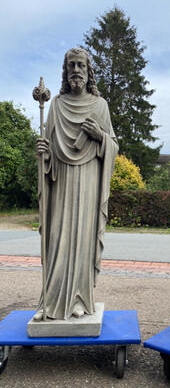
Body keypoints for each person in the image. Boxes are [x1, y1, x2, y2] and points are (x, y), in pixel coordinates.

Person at [34, 48, 118, 321]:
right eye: (71, 65)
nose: (76, 70)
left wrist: (101, 136)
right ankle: (51, 299)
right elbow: (50, 152)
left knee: (82, 238)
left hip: (89, 180)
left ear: (88, 70)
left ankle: (80, 298)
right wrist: (43, 154)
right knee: (58, 238)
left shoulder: (100, 105)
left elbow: (114, 146)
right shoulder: (56, 105)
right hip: (62, 184)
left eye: (81, 65)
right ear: (65, 70)